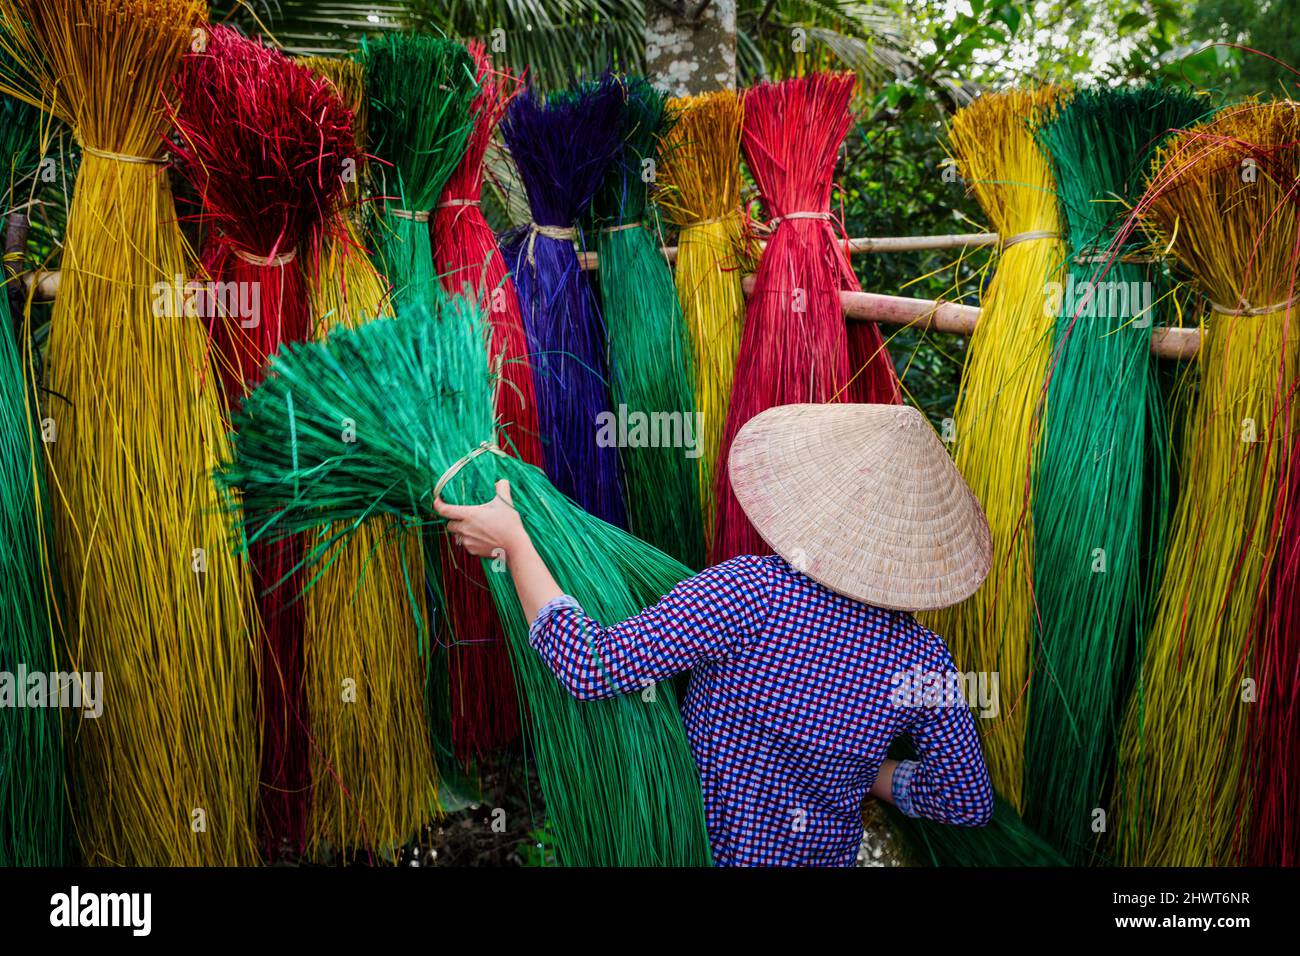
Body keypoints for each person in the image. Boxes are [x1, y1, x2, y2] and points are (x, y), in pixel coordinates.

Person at [435, 402, 995, 866]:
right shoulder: (926, 659)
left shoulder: (750, 593)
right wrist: (860, 767)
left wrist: (514, 542)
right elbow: (966, 801)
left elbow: (590, 665)